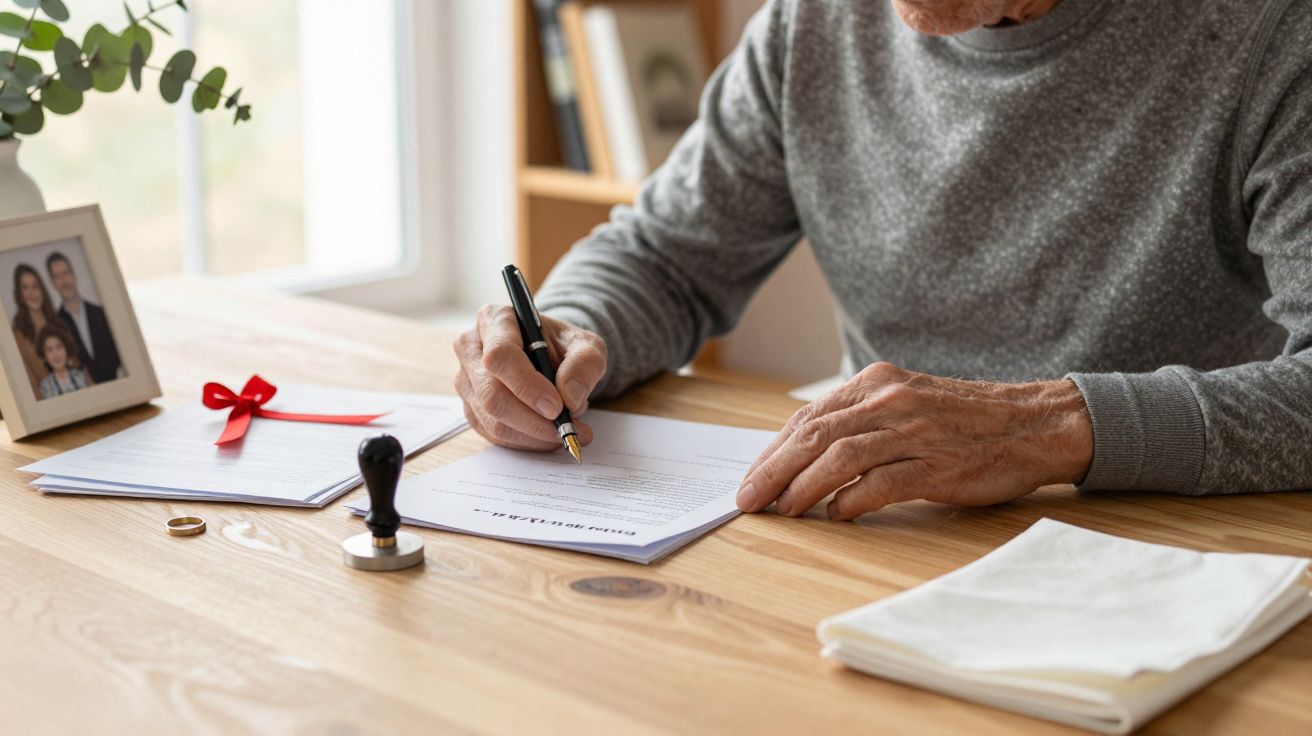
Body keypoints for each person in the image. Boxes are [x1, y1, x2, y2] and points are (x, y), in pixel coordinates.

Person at [455, 0, 1312, 520]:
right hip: (873, 528)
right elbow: (665, 253)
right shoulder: (811, 22)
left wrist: (1052, 429)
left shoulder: (1273, 35)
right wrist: (566, 334)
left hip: (1172, 542)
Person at [47, 251, 122, 384]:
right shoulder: (54, 325)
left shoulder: (101, 313)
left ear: (74, 276)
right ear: (53, 283)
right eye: (57, 277)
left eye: (66, 273)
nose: (64, 281)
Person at [11, 263, 60, 397]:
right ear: (20, 295)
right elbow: (30, 384)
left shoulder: (59, 322)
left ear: (42, 289)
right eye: (25, 288)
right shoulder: (17, 336)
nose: (32, 293)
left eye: (35, 286)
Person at [35, 325, 92, 399]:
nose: (56, 354)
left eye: (59, 347)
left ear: (66, 350)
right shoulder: (45, 386)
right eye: (49, 350)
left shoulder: (81, 377)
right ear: (45, 356)